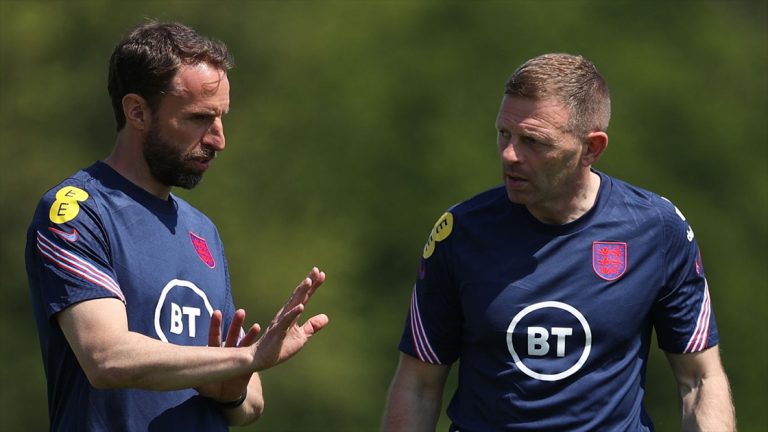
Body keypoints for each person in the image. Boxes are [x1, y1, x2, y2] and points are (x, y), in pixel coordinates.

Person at [382, 53, 735, 431]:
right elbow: (418, 384)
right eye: (504, 133)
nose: (509, 155)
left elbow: (700, 381)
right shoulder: (459, 232)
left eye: (534, 141)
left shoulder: (658, 230)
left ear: (592, 148)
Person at [25, 21, 329, 431]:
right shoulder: (78, 211)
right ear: (137, 111)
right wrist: (243, 359)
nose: (218, 139)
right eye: (199, 118)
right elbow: (105, 357)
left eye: (221, 118)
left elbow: (251, 402)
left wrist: (232, 389)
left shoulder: (202, 230)